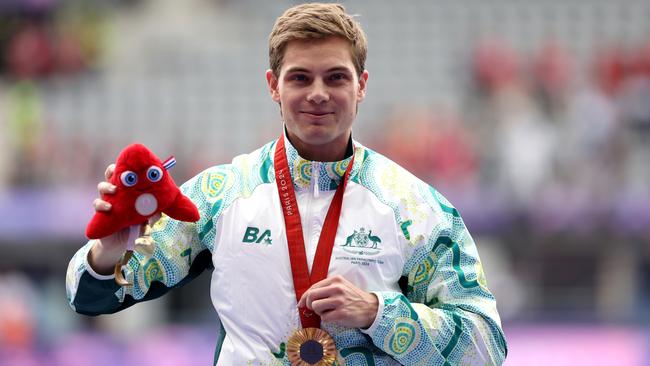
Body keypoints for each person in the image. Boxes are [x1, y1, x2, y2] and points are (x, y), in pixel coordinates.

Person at [66, 3, 507, 365]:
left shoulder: (415, 207)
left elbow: (486, 346)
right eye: (300, 77)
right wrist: (108, 253)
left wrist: (378, 314)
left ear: (362, 86)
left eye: (336, 77)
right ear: (273, 86)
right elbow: (89, 296)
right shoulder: (221, 195)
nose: (318, 92)